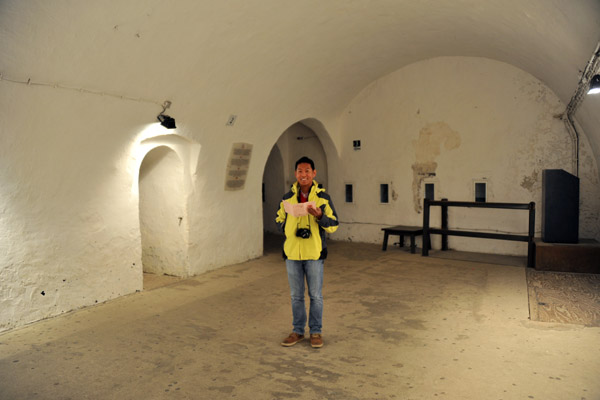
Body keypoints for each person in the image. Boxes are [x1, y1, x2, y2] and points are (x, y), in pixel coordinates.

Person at [276, 156, 339, 348]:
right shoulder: (287, 199)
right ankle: (297, 331)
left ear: (314, 173)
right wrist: (287, 223)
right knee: (296, 296)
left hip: (314, 254)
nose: (303, 175)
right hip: (292, 254)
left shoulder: (323, 198)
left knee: (315, 296)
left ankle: (316, 332)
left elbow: (334, 225)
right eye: (300, 171)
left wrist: (320, 217)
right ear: (295, 174)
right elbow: (278, 220)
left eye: (307, 171)